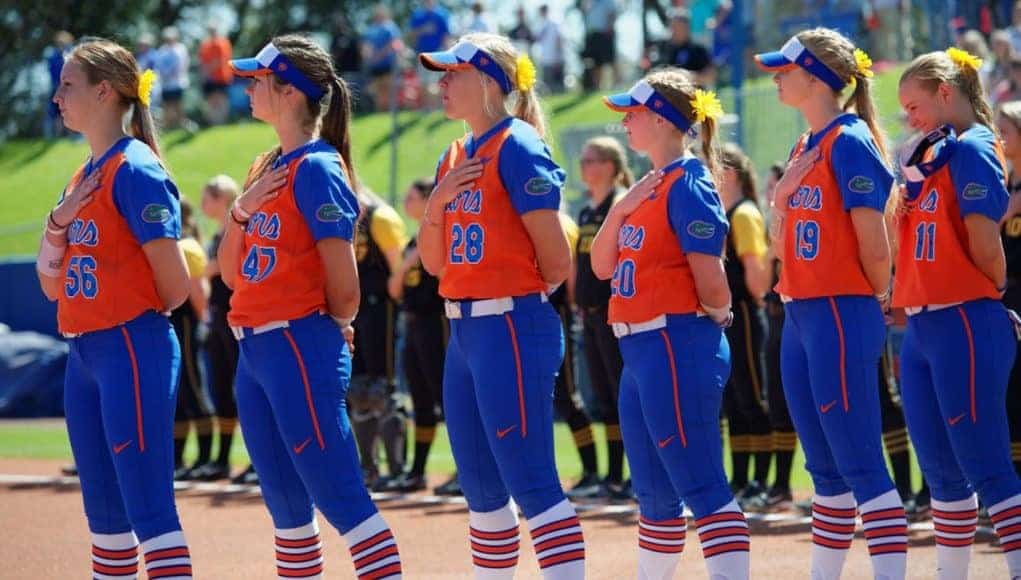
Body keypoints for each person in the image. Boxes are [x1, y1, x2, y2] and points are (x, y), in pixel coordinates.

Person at [220, 34, 402, 578]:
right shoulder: (264, 166)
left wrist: (330, 329)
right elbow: (232, 275)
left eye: (259, 78)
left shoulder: (319, 168)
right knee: (287, 514)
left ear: (290, 92)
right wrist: (240, 211)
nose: (249, 86)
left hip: (298, 346)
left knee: (344, 500)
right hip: (255, 351)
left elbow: (345, 290)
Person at [418, 32, 586, 578]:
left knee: (532, 481)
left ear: (489, 81)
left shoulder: (518, 144)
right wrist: (438, 204)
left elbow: (556, 262)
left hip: (510, 325)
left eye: (453, 74)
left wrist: (511, 297)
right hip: (464, 332)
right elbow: (435, 264)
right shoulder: (455, 153)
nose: (441, 83)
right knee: (483, 492)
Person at [756, 29, 908, 579]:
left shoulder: (849, 140)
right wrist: (781, 197)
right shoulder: (805, 145)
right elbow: (781, 246)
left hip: (840, 310)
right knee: (824, 469)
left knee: (861, 462)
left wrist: (873, 301)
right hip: (800, 311)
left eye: (785, 68)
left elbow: (875, 244)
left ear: (817, 77)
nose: (776, 76)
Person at [39, 38, 193, 578]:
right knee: (104, 520)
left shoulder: (134, 167)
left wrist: (125, 305)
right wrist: (57, 223)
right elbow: (50, 287)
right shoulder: (84, 175)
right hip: (85, 354)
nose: (57, 96)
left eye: (67, 84)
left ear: (104, 91)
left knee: (150, 512)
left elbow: (175, 287)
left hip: (130, 345)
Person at [592, 69, 749, 580]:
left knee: (700, 484)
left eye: (633, 113)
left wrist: (717, 318)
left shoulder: (690, 182)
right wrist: (621, 209)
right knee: (655, 496)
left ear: (661, 119)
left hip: (676, 340)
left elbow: (713, 280)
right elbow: (601, 265)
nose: (626, 123)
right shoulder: (646, 188)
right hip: (640, 350)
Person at [894, 48, 1021, 578]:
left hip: (964, 318)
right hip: (922, 325)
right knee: (942, 473)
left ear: (946, 93)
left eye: (914, 105)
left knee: (986, 463)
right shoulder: (930, 152)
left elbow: (986, 245)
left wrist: (987, 296)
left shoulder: (972, 148)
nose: (909, 117)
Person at [573, 136, 632, 499]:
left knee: (623, 395)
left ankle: (634, 474)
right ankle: (612, 474)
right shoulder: (586, 211)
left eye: (591, 160)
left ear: (610, 166)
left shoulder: (621, 203)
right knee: (605, 399)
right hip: (590, 316)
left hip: (615, 317)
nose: (584, 167)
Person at [717, 143, 773, 506]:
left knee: (753, 398)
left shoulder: (743, 214)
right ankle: (740, 479)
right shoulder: (726, 213)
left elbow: (756, 279)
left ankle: (762, 481)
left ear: (731, 175)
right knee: (735, 402)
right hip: (728, 317)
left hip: (744, 315)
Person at [384, 179, 447, 493]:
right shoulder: (412, 242)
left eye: (412, 197)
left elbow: (442, 274)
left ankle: (469, 471)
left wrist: (418, 254)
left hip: (436, 323)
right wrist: (408, 260)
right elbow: (394, 290)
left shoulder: (441, 233)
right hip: (411, 324)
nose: (406, 202)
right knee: (420, 400)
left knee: (446, 398)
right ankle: (417, 470)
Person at [744, 163, 798, 514]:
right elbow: (763, 286)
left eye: (775, 186)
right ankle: (779, 486)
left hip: (797, 319)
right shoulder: (771, 227)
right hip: (774, 318)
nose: (769, 192)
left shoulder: (800, 223)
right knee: (777, 404)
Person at [350, 187, 407, 489]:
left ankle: (397, 468)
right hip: (355, 311)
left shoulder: (380, 217)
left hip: (380, 309)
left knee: (382, 388)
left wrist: (393, 300)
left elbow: (397, 270)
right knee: (358, 390)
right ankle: (367, 467)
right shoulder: (344, 220)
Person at [197, 175, 245, 483]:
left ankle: (258, 461)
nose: (203, 203)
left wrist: (211, 267)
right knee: (222, 390)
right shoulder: (217, 234)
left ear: (223, 198)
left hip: (235, 318)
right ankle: (222, 458)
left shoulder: (235, 228)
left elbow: (235, 269)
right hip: (217, 318)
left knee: (246, 391)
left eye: (208, 196)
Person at [551, 211, 602, 498]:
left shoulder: (563, 223)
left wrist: (572, 311)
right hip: (532, 315)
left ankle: (592, 470)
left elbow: (571, 279)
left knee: (567, 398)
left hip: (556, 315)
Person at [171, 199, 216, 481]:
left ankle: (204, 457)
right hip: (173, 324)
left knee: (195, 390)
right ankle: (177, 459)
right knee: (178, 395)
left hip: (186, 324)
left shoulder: (187, 247)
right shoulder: (175, 245)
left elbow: (200, 295)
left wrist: (201, 324)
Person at [997, 101, 1021, 478]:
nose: (1000, 137)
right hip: (1006, 297)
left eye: (1007, 130)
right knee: (1009, 394)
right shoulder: (1006, 182)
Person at [644, 9, 715, 88]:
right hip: (660, 96)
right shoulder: (659, 47)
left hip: (690, 97)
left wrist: (685, 76)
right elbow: (648, 72)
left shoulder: (698, 50)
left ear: (688, 28)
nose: (676, 30)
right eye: (674, 26)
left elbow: (710, 78)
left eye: (681, 27)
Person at [362, 5, 404, 111]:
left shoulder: (390, 27)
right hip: (375, 65)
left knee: (388, 88)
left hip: (388, 63)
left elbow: (394, 43)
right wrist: (368, 55)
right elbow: (366, 45)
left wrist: (380, 54)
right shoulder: (370, 29)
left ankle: (388, 111)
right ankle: (380, 111)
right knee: (377, 90)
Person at [157, 26, 191, 131]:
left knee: (179, 105)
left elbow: (184, 64)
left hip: (178, 83)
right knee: (167, 107)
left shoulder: (181, 48)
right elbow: (159, 66)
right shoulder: (162, 50)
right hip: (166, 84)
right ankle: (169, 128)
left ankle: (183, 125)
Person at [199, 24, 234, 126]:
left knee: (221, 99)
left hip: (221, 76)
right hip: (211, 77)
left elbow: (219, 60)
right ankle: (214, 122)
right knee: (211, 100)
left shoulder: (221, 43)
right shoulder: (206, 44)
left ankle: (220, 122)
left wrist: (206, 71)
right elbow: (202, 60)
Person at [43, 31, 73, 139]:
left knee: (71, 110)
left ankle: (71, 135)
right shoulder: (53, 56)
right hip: (56, 87)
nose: (62, 45)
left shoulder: (71, 55)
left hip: (69, 87)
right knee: (56, 113)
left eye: (64, 43)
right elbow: (52, 72)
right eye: (60, 43)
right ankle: (57, 136)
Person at [535, 4, 566, 93]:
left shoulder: (554, 22)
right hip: (545, 58)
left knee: (558, 85)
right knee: (548, 86)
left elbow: (559, 39)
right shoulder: (541, 24)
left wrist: (558, 56)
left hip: (556, 58)